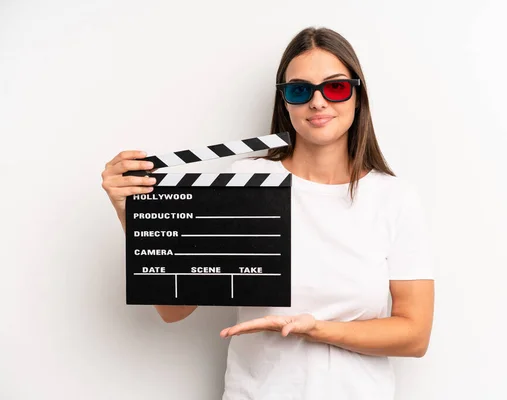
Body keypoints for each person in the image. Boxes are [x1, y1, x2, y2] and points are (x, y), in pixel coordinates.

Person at [101, 26, 435, 400]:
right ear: (285, 102)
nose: (318, 102)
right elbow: (174, 309)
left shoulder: (393, 198)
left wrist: (315, 329)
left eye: (335, 87)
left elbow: (414, 334)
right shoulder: (247, 184)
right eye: (300, 90)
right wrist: (135, 215)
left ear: (358, 95)